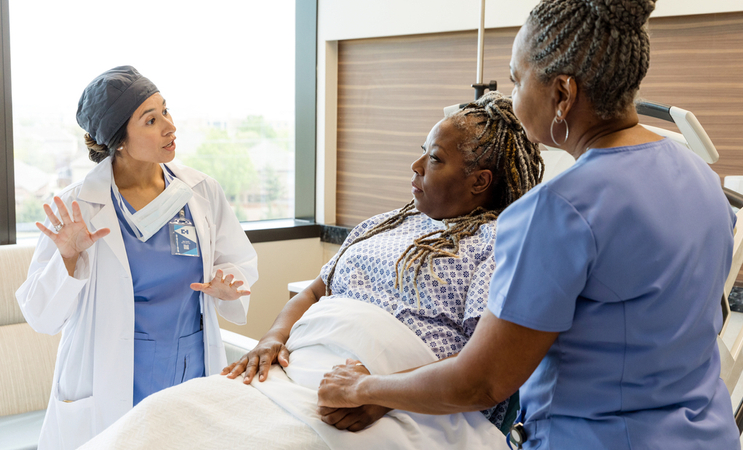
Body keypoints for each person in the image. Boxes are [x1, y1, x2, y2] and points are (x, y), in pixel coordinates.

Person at [317, 1, 742, 449]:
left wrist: (364, 387)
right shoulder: (702, 178)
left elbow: (482, 383)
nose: (513, 97)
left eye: (518, 81)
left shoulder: (556, 211)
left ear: (562, 94)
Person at [78, 92, 543, 450]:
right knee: (159, 418)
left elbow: (484, 370)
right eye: (423, 150)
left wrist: (381, 391)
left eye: (436, 159)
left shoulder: (499, 242)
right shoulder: (383, 223)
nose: (416, 165)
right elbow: (316, 291)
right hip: (298, 372)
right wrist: (272, 338)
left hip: (393, 400)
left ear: (480, 181)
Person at [16, 66, 258, 449]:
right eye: (151, 119)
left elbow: (239, 263)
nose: (169, 126)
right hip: (111, 374)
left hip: (189, 366)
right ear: (120, 140)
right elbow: (41, 315)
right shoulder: (76, 206)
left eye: (166, 111)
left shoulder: (200, 191)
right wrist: (66, 257)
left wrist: (228, 285)